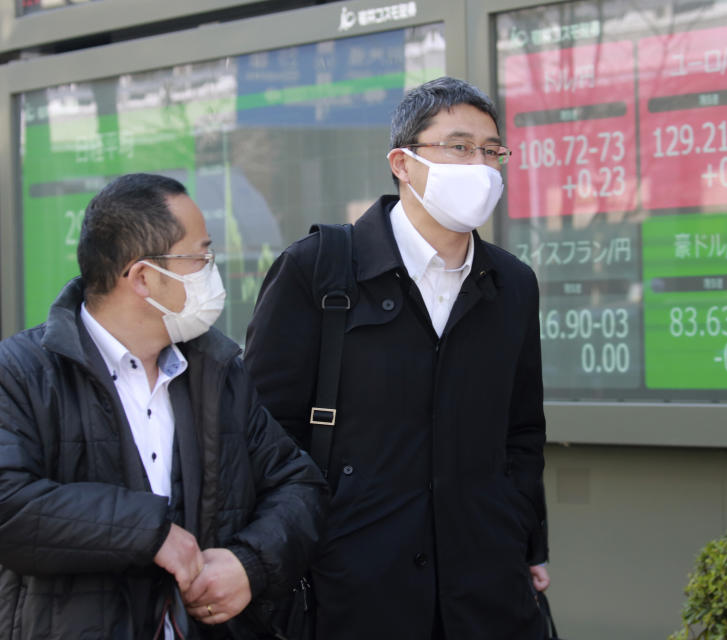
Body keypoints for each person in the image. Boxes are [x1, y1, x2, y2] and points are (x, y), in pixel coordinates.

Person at [244, 76, 549, 639]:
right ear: (402, 163)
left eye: (491, 150)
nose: (479, 165)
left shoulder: (513, 283)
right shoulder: (318, 269)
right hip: (348, 589)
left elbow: (522, 429)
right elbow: (263, 431)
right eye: (458, 146)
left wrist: (524, 536)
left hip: (484, 592)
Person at [0, 173, 327, 639]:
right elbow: (8, 505)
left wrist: (249, 564)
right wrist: (151, 533)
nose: (213, 270)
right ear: (143, 277)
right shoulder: (22, 372)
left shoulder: (218, 371)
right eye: (200, 256)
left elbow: (299, 485)